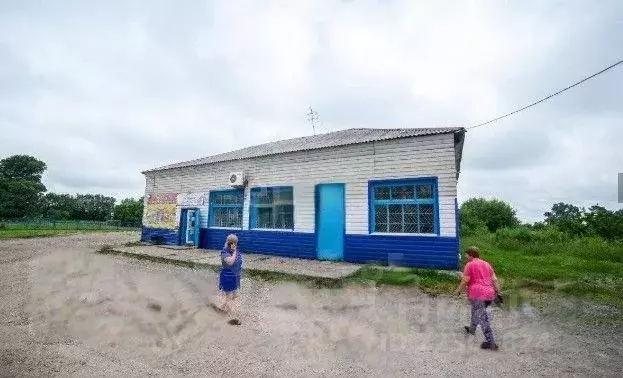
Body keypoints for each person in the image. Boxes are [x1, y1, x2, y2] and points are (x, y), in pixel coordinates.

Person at [454, 246, 500, 350]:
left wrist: (457, 291)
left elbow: (465, 280)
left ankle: (490, 342)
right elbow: (495, 280)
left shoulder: (469, 265)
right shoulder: (487, 264)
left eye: (466, 255)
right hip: (489, 294)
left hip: (477, 294)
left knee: (482, 318)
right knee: (475, 311)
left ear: (471, 255)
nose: (465, 257)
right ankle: (472, 329)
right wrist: (499, 293)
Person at [219, 234, 242, 313]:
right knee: (228, 295)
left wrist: (235, 251)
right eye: (231, 243)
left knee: (235, 294)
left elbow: (238, 262)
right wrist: (234, 251)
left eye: (235, 243)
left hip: (235, 277)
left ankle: (224, 304)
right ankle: (225, 312)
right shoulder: (224, 252)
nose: (234, 244)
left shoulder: (236, 252)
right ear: (228, 242)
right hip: (227, 276)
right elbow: (230, 262)